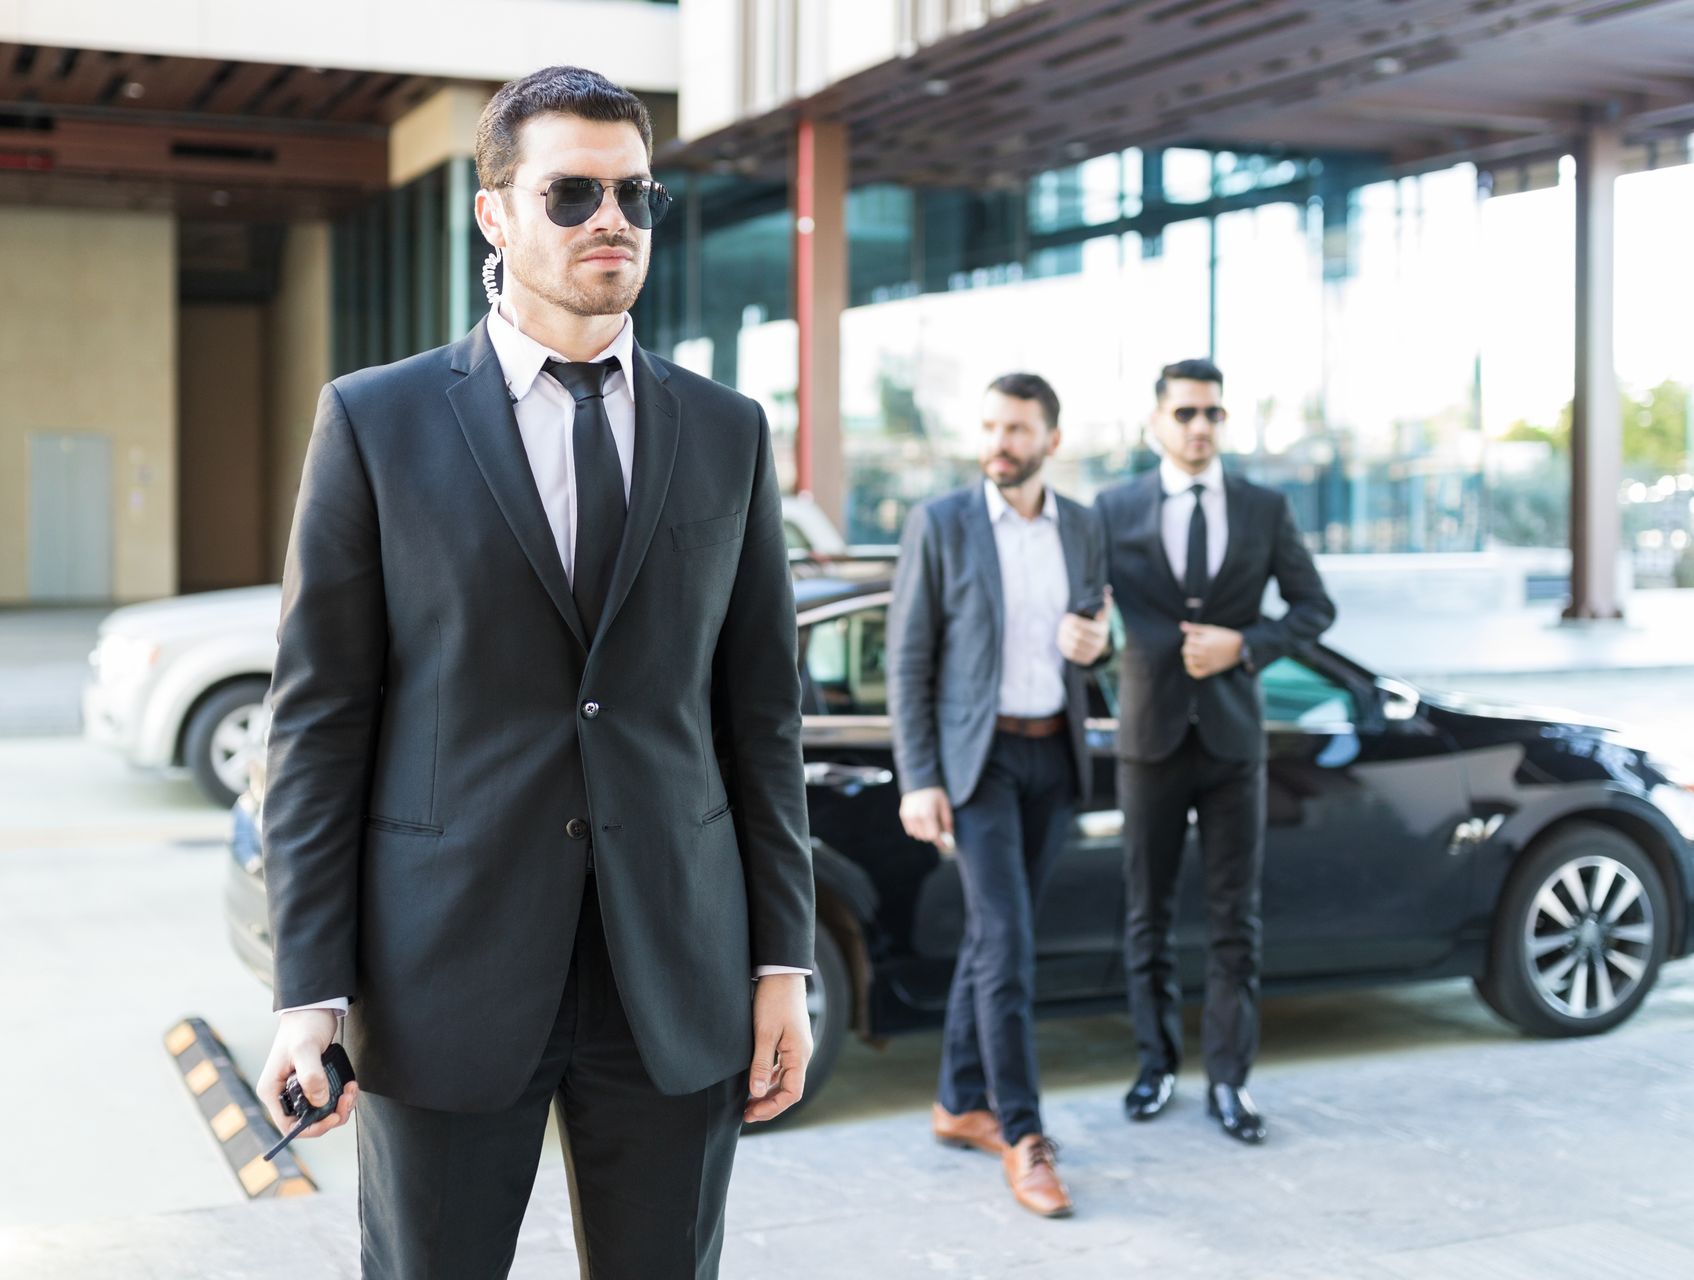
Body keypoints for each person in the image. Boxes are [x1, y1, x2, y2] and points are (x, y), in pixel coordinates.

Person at [252, 66, 814, 1279]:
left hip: (676, 970)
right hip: (442, 972)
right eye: (571, 193)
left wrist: (783, 964)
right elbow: (320, 725)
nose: (611, 219)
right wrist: (310, 988)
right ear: (495, 213)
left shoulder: (728, 430)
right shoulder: (376, 422)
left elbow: (761, 718)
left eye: (634, 194)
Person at [886, 373, 1111, 1217]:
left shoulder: (1082, 526)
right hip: (976, 766)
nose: (999, 443)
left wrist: (1099, 643)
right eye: (990, 426)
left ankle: (958, 1101)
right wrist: (920, 778)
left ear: (1052, 440)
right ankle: (1023, 1132)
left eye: (1017, 429)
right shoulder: (941, 523)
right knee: (1009, 946)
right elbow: (908, 659)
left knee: (993, 937)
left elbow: (1099, 639)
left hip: (1053, 755)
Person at [1094, 358, 1335, 1145]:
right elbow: (1085, 605)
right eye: (1186, 413)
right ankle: (1155, 1066)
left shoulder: (1265, 508)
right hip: (1149, 738)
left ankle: (1230, 1081)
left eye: (1213, 413)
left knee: (1236, 919)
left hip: (1233, 740)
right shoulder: (1114, 508)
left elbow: (1314, 607)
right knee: (1146, 914)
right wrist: (1090, 636)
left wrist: (1247, 645)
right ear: (1156, 423)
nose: (1200, 427)